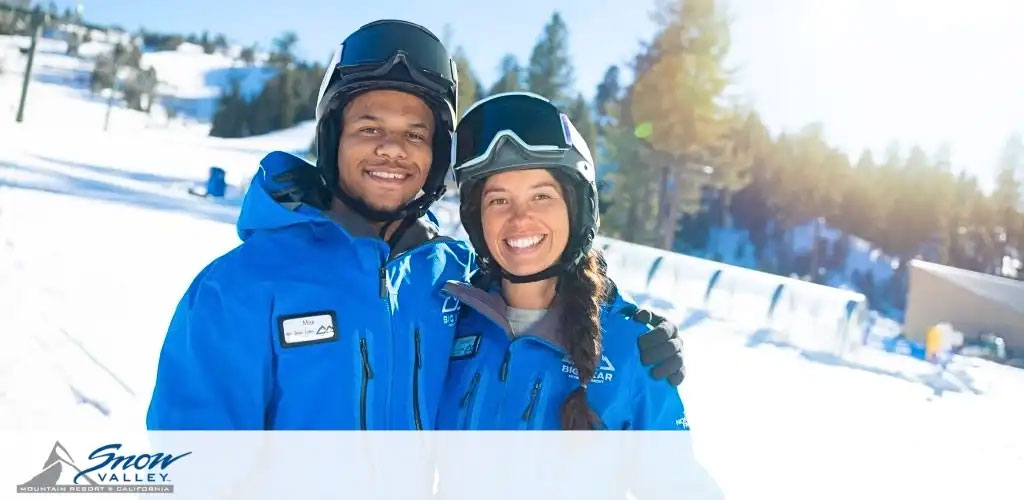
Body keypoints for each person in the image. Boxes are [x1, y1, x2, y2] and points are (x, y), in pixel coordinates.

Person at [146, 20, 684, 431]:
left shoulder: (455, 279)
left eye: (415, 134)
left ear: (436, 155)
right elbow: (195, 463)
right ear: (333, 139)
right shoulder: (237, 288)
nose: (391, 149)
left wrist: (635, 330)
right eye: (369, 126)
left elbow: (541, 273)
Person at [437, 92, 687, 430]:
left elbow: (675, 481)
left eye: (541, 196)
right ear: (475, 218)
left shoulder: (634, 351)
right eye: (498, 200)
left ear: (577, 209)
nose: (519, 218)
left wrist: (626, 327)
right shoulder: (450, 323)